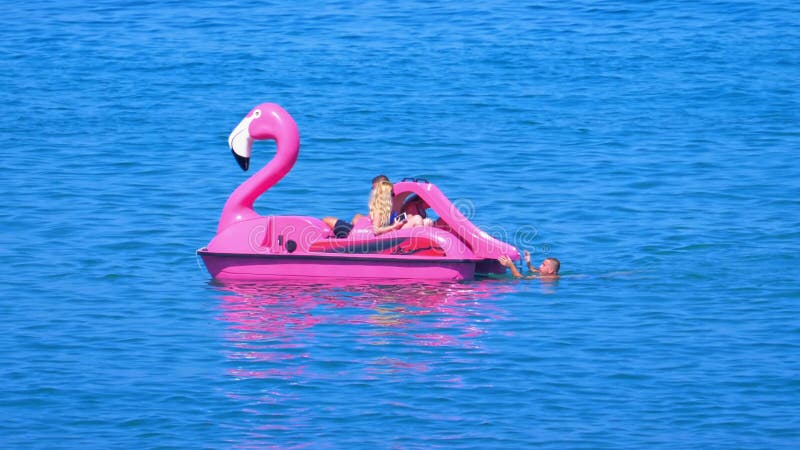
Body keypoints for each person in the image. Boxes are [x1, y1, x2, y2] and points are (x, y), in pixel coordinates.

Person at [322, 175, 405, 238]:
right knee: (357, 217)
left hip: (359, 234)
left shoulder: (379, 209)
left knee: (327, 220)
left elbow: (375, 230)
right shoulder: (391, 204)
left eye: (374, 189)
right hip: (362, 230)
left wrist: (393, 226)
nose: (373, 192)